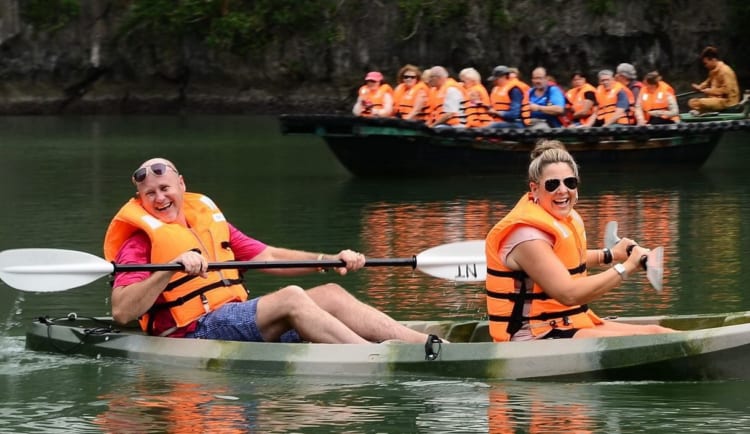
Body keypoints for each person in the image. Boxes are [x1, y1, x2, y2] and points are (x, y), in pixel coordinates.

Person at [103, 157, 435, 344]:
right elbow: (121, 313)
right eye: (150, 194)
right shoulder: (140, 241)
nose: (159, 198)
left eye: (165, 188)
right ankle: (378, 359)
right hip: (193, 332)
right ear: (140, 200)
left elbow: (269, 256)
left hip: (233, 318)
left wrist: (328, 261)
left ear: (181, 185)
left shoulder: (205, 218)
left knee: (332, 293)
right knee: (291, 297)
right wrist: (171, 269)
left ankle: (428, 346)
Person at [485, 140, 674, 342]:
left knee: (656, 332)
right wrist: (628, 266)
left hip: (565, 323)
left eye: (570, 182)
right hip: (534, 336)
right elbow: (569, 294)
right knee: (656, 339)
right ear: (534, 189)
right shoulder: (526, 236)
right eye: (552, 184)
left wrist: (611, 254)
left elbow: (565, 261)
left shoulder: (560, 218)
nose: (562, 190)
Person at [689, 46, 740, 114]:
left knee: (700, 103)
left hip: (728, 102)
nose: (705, 66)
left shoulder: (725, 71)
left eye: (706, 63)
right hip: (716, 99)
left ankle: (704, 111)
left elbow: (727, 90)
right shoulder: (713, 71)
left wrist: (710, 91)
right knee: (692, 102)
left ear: (713, 60)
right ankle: (705, 110)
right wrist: (700, 87)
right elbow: (707, 81)